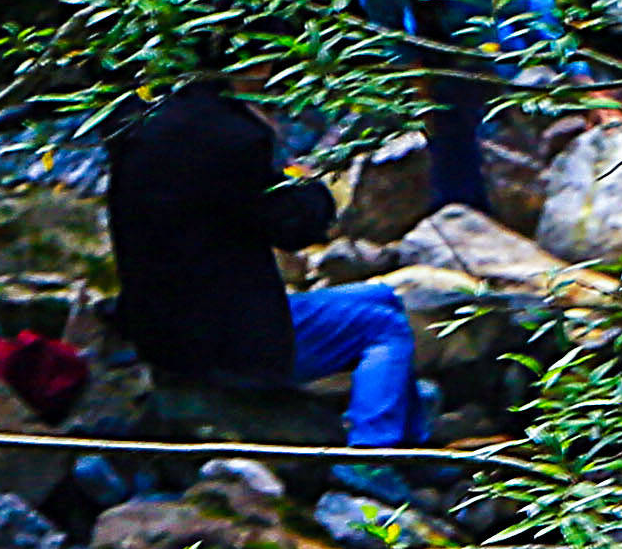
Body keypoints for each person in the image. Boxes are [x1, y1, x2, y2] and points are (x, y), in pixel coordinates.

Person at [101, 52, 424, 465]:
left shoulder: (139, 119)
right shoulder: (235, 138)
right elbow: (295, 229)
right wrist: (307, 183)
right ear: (251, 66)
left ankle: (415, 443)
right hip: (229, 343)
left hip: (157, 326)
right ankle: (373, 456)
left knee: (383, 297)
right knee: (386, 327)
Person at [357, 0, 566, 227]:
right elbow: (385, 16)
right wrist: (414, 81)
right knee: (453, 153)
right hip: (439, 64)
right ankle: (464, 226)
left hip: (505, 57)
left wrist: (574, 72)